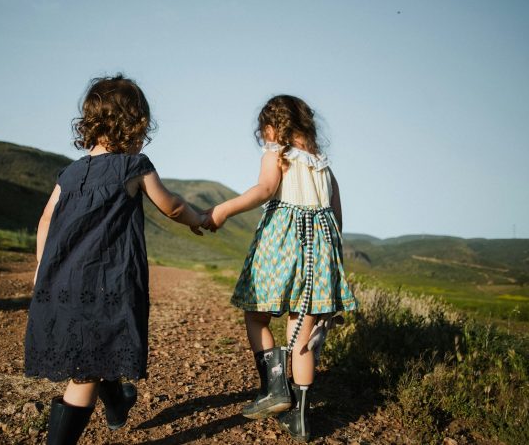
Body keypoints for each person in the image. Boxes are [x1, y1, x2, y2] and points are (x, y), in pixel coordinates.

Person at [24, 74, 207, 445]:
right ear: (134, 123)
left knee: (92, 349)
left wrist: (42, 272)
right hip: (106, 283)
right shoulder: (134, 166)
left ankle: (119, 400)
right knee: (84, 373)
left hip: (60, 281)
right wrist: (199, 219)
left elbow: (45, 220)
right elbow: (171, 206)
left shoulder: (70, 172)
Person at [204, 95, 357, 442]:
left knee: (256, 314)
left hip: (281, 246)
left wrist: (223, 210)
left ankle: (275, 388)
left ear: (274, 128)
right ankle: (301, 419)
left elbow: (265, 189)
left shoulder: (278, 155)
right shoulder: (323, 166)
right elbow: (336, 217)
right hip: (320, 252)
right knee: (301, 333)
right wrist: (330, 263)